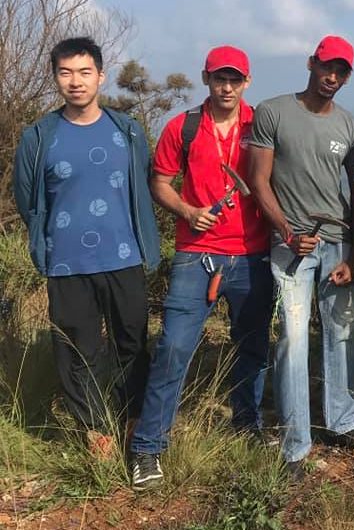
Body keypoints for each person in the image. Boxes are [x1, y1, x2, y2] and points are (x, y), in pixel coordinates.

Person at [129, 46, 274, 489]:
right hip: (197, 254)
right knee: (174, 347)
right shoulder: (184, 126)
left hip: (253, 254)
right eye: (218, 78)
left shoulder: (261, 125)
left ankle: (246, 423)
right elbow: (160, 182)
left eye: (235, 79)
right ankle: (148, 447)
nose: (226, 87)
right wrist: (189, 211)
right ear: (206, 79)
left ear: (247, 82)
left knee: (252, 347)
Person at [13, 36, 160, 458]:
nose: (75, 82)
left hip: (125, 256)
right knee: (78, 349)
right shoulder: (39, 137)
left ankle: (132, 418)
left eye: (83, 72)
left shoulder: (127, 131)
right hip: (67, 261)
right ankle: (97, 429)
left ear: (100, 75)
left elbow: (143, 187)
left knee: (131, 342)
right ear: (56, 78)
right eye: (65, 73)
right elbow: (28, 199)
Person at [248, 35, 354, 480]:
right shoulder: (273, 112)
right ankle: (295, 443)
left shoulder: (351, 128)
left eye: (341, 70)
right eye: (326, 66)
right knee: (293, 340)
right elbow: (259, 181)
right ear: (311, 63)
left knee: (342, 334)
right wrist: (285, 230)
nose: (332, 76)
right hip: (290, 244)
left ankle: (344, 421)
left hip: (336, 242)